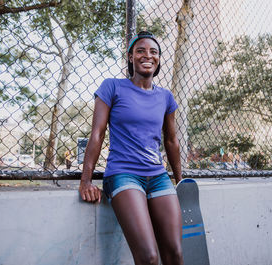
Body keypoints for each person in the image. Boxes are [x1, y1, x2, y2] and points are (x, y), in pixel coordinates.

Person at [79, 31, 183, 265]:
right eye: (140, 51)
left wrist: (180, 182)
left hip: (158, 176)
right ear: (130, 57)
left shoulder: (166, 97)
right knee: (149, 257)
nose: (147, 55)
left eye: (153, 52)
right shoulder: (112, 87)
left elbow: (171, 141)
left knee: (175, 253)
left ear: (158, 59)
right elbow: (97, 134)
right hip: (123, 174)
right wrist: (86, 180)